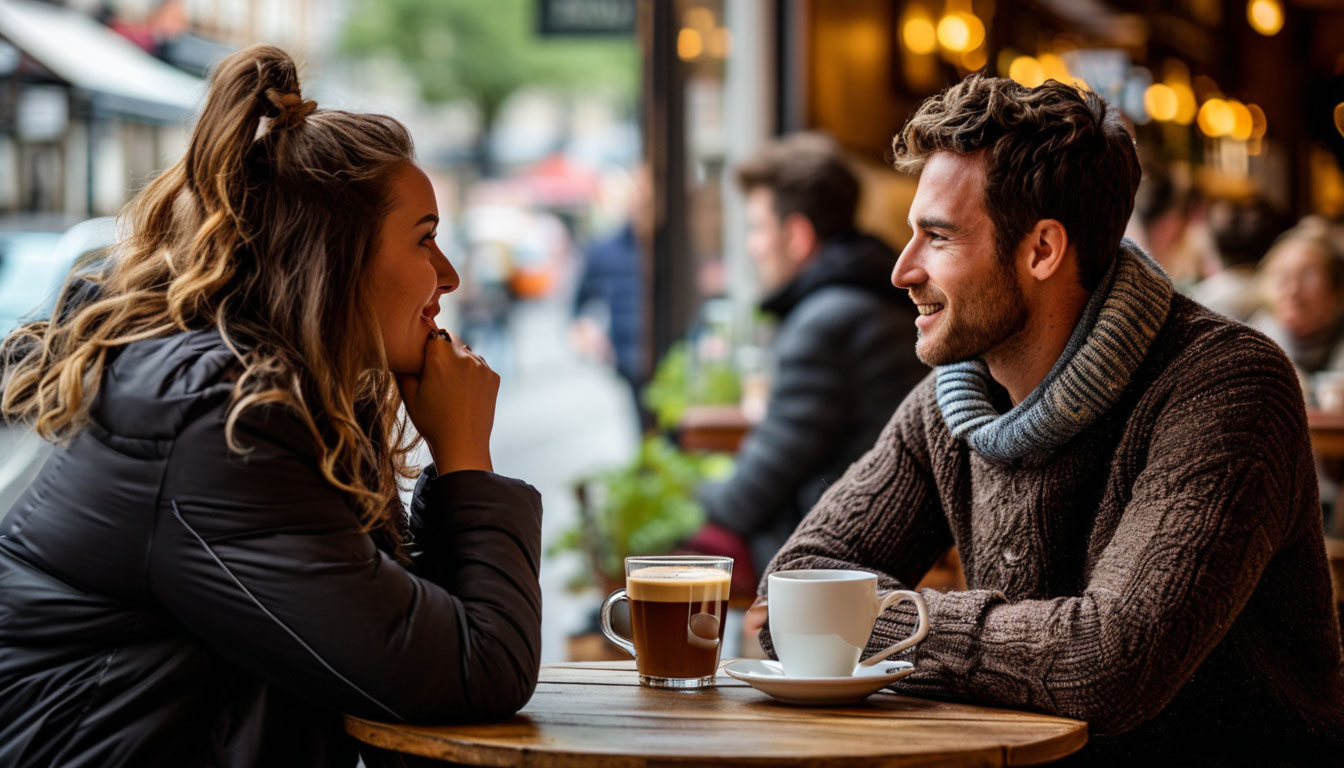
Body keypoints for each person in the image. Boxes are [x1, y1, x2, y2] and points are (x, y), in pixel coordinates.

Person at [747, 75, 1344, 764]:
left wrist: (871, 619)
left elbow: (1106, 664)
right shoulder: (954, 400)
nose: (901, 270)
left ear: (1041, 251)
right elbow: (790, 591)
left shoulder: (1226, 386)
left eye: (937, 237)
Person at [0, 45, 542, 767]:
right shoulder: (221, 420)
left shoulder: (263, 392)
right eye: (425, 239)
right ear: (333, 257)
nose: (448, 273)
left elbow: (406, 641)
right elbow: (474, 670)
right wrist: (468, 461)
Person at [686, 133, 924, 585]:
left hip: (833, 561)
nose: (753, 246)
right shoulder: (867, 298)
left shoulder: (826, 322)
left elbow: (746, 498)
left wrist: (684, 495)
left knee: (670, 550)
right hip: (874, 542)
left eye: (758, 227)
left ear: (795, 235)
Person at [1250, 216, 1344, 383]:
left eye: (1307, 276)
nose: (1292, 291)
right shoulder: (1255, 339)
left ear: (1335, 285)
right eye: (1282, 277)